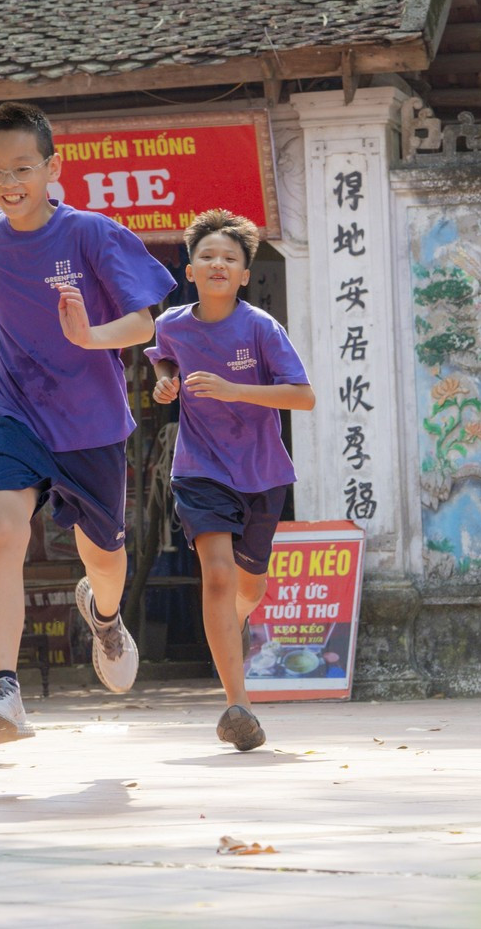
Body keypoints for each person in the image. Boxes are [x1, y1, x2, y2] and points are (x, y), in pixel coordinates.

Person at [0, 101, 175, 743]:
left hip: (90, 421)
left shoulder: (91, 234)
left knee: (104, 556)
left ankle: (106, 615)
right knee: (2, 531)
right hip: (16, 407)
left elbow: (144, 322)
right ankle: (4, 689)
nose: (10, 182)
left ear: (51, 166)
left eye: (23, 168)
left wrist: (90, 336)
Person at [147, 209, 315, 752]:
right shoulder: (171, 323)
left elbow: (302, 396)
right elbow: (165, 363)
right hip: (200, 468)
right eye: (207, 256)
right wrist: (166, 384)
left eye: (230, 259)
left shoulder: (261, 328)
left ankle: (235, 619)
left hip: (262, 471)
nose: (218, 264)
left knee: (249, 586)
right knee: (216, 576)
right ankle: (237, 705)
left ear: (245, 274)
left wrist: (234, 389)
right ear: (189, 269)